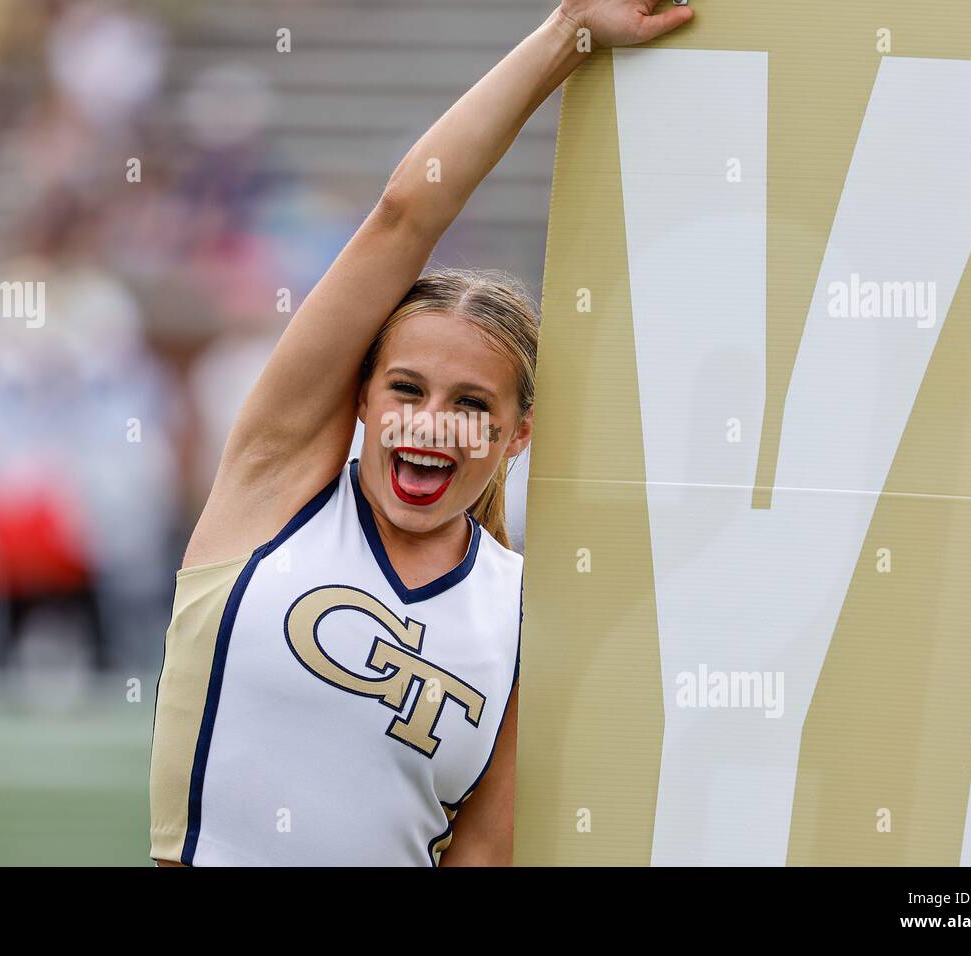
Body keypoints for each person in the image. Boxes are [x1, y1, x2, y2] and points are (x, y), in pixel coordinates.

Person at [148, 0, 694, 867]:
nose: (432, 422)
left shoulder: (530, 616)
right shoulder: (272, 491)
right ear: (359, 399)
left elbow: (481, 857)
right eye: (406, 388)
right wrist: (567, 33)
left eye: (474, 406)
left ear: (519, 437)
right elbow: (404, 215)